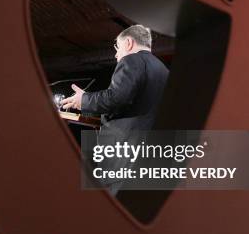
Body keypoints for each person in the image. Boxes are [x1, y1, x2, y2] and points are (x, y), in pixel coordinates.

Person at [61, 25, 169, 193]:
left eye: (117, 48)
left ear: (128, 43)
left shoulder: (132, 60)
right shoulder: (163, 69)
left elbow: (116, 97)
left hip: (123, 158)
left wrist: (84, 100)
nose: (116, 55)